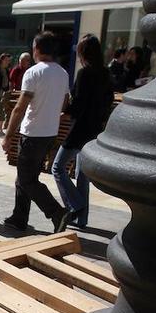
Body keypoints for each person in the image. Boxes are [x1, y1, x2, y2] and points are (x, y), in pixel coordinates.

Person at [1, 31, 72, 233]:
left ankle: (57, 213)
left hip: (32, 133)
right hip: (50, 133)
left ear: (37, 49)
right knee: (24, 177)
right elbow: (65, 103)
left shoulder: (33, 72)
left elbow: (19, 107)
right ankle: (19, 218)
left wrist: (7, 136)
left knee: (27, 180)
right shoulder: (62, 73)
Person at [51, 35, 113, 229]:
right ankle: (82, 219)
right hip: (95, 129)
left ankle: (75, 206)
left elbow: (78, 104)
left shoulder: (84, 74)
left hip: (80, 129)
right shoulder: (105, 73)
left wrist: (65, 110)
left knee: (57, 167)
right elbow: (108, 100)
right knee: (82, 174)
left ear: (82, 52)